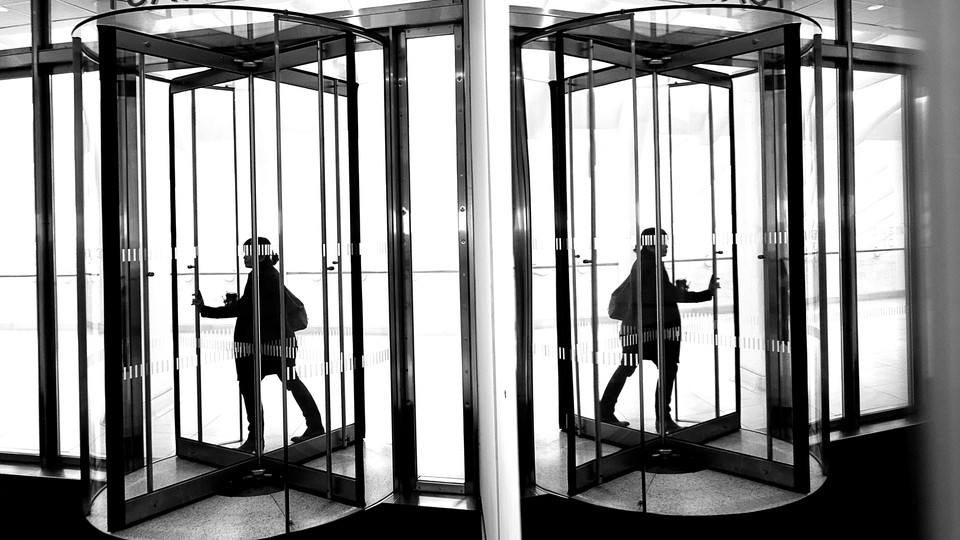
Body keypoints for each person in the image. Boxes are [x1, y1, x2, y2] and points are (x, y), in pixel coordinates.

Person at [193, 237, 324, 452]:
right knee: (290, 381)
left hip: (264, 344)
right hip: (277, 340)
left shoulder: (261, 276)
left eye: (248, 252)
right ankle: (314, 426)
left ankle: (256, 439)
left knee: (250, 385)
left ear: (260, 254)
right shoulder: (268, 273)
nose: (244, 256)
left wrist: (206, 310)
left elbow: (244, 308)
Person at [599, 227, 718, 434]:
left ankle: (606, 412)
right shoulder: (649, 265)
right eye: (663, 242)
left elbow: (660, 293)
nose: (666, 246)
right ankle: (663, 419)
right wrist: (706, 293)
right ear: (652, 243)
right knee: (667, 368)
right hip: (650, 329)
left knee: (630, 367)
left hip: (638, 326)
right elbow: (668, 294)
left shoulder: (645, 262)